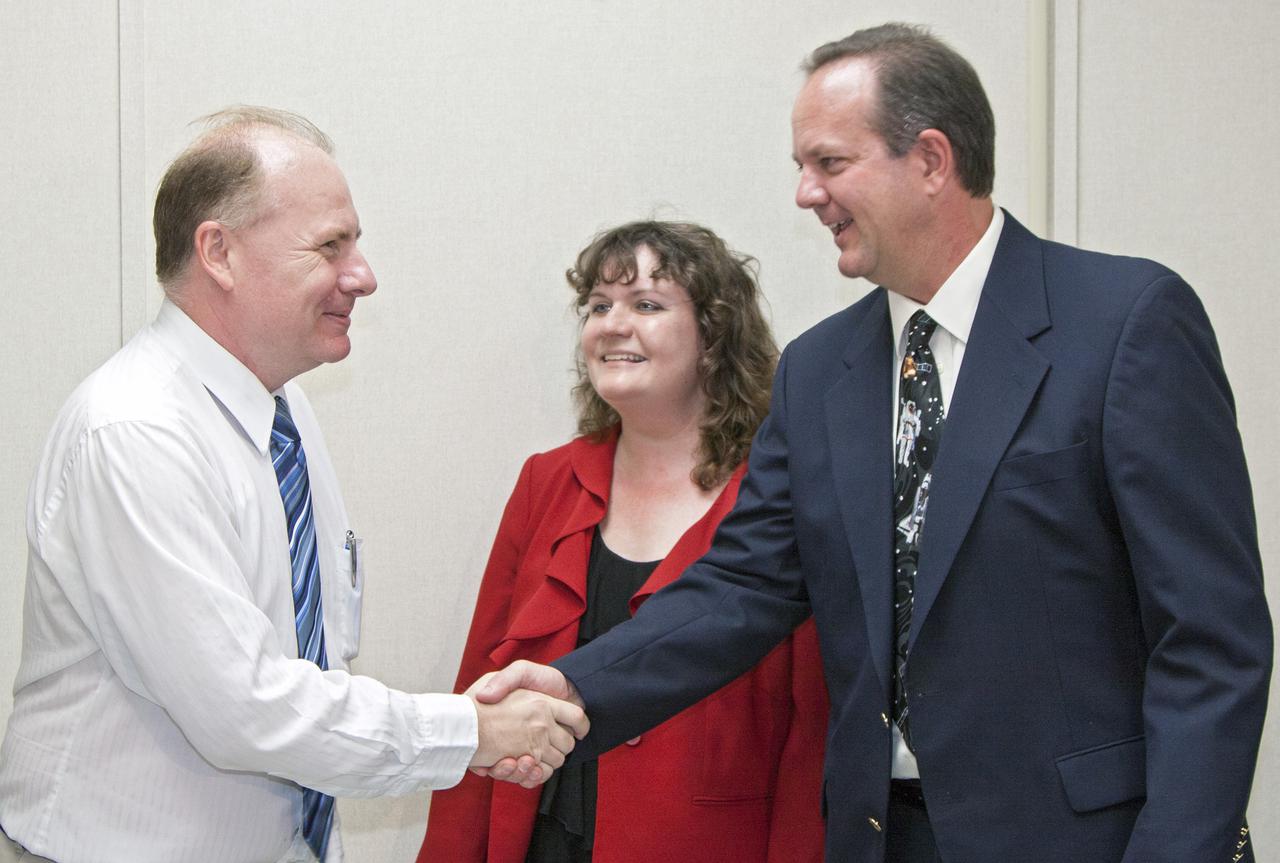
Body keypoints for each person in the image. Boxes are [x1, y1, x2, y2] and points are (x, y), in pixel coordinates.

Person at [475, 23, 1273, 863]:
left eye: (829, 163)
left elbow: (1210, 641)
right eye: (800, 168)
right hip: (880, 837)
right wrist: (573, 685)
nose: (805, 195)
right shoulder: (820, 372)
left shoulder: (1123, 323)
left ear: (930, 160)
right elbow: (740, 587)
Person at [0, 107, 585, 863]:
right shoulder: (135, 431)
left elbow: (311, 660)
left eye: (357, 244)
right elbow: (244, 709)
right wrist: (470, 731)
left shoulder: (283, 409)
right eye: (329, 246)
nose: (362, 276)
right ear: (220, 251)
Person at [419, 222, 827, 863]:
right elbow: (482, 687)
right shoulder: (546, 482)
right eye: (598, 306)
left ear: (714, 336)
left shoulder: (777, 500)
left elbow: (812, 737)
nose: (612, 324)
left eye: (646, 305)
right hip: (541, 839)